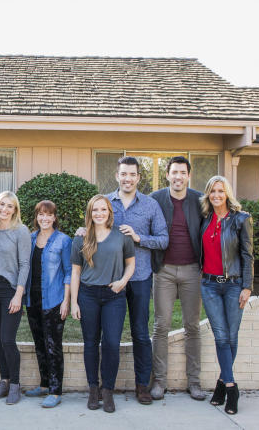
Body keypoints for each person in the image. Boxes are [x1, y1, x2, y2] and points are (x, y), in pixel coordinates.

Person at [96, 156, 168, 404]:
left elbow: (163, 239)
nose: (127, 178)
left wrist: (139, 238)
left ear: (139, 177)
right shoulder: (105, 202)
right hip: (111, 279)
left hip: (140, 277)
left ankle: (142, 385)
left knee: (140, 332)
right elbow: (92, 229)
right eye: (123, 174)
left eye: (132, 174)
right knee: (110, 335)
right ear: (117, 176)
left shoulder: (150, 205)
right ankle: (106, 387)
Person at [71, 195, 135, 413]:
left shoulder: (121, 236)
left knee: (111, 344)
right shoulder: (81, 238)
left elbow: (131, 264)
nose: (99, 213)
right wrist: (73, 303)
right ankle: (93, 389)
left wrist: (123, 282)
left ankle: (107, 390)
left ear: (109, 212)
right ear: (90, 213)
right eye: (95, 210)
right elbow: (76, 272)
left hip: (114, 295)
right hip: (88, 296)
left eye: (103, 209)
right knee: (90, 343)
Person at [149, 156, 206, 400]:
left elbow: (218, 219)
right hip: (164, 270)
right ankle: (159, 381)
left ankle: (194, 381)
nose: (178, 177)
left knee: (192, 326)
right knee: (161, 326)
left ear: (188, 175)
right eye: (174, 172)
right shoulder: (156, 199)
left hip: (193, 270)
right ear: (167, 175)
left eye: (182, 172)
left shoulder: (199, 199)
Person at [199, 175, 253, 415]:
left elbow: (248, 255)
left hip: (233, 285)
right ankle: (232, 387)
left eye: (221, 191)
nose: (217, 195)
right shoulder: (205, 219)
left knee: (231, 337)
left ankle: (222, 384)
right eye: (213, 191)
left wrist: (247, 286)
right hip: (209, 285)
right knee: (221, 336)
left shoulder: (241, 219)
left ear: (227, 193)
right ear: (208, 195)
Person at [22, 200, 72, 408]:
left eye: (48, 214)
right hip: (33, 300)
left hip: (54, 299)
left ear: (54, 217)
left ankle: (55, 390)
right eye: (41, 214)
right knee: (40, 343)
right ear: (37, 217)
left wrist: (66, 301)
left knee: (53, 346)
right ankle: (43, 385)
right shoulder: (30, 238)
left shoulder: (63, 240)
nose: (44, 218)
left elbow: (69, 271)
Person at [0, 191, 30, 405]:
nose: (5, 209)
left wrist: (19, 294)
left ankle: (15, 384)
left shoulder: (21, 231)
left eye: (10, 206)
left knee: (8, 340)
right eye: (2, 204)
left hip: (10, 289)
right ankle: (4, 380)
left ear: (15, 210)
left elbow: (24, 265)